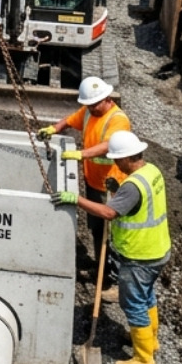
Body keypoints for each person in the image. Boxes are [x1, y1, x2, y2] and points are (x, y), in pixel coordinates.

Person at [54, 130, 171, 364]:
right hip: (158, 249)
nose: (115, 164)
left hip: (140, 256)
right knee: (147, 296)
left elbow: (108, 213)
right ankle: (151, 339)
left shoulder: (133, 186)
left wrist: (75, 199)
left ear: (128, 158)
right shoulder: (152, 172)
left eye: (117, 160)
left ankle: (143, 358)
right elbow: (137, 205)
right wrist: (117, 191)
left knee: (134, 303)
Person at [39, 76, 129, 288]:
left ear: (107, 98)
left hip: (112, 186)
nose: (92, 109)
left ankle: (113, 281)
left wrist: (82, 154)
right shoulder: (89, 111)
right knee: (98, 230)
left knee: (113, 235)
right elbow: (70, 120)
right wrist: (54, 128)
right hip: (94, 182)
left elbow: (109, 145)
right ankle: (101, 270)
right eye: (88, 105)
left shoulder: (118, 119)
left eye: (95, 104)